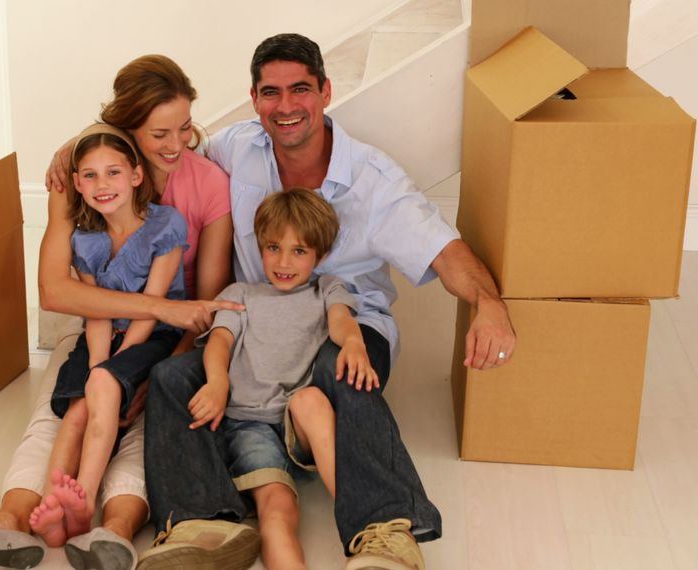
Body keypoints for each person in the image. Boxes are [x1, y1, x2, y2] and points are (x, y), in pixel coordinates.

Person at [137, 33, 517, 570]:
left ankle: (384, 530)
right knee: (173, 378)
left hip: (345, 327)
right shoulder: (236, 147)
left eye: (300, 90)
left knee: (340, 369)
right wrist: (85, 145)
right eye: (271, 92)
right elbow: (162, 147)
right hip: (260, 331)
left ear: (325, 92)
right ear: (254, 98)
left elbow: (444, 251)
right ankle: (202, 523)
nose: (285, 106)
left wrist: (490, 305)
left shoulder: (373, 180)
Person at [0, 55, 239, 570]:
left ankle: (111, 529)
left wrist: (166, 366)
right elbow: (56, 292)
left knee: (142, 422)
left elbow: (206, 299)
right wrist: (120, 343)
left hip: (174, 337)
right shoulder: (84, 175)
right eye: (159, 133)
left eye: (185, 128)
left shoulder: (206, 186)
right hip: (100, 328)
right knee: (61, 413)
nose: (176, 145)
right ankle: (14, 518)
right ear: (126, 128)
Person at [184, 187, 378, 570]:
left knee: (310, 399)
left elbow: (341, 320)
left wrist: (354, 343)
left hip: (299, 422)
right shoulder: (241, 293)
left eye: (299, 251)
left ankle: (363, 522)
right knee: (275, 507)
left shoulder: (327, 289)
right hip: (248, 424)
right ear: (259, 248)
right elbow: (219, 342)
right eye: (273, 248)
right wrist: (217, 382)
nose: (283, 261)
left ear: (320, 256)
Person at [29, 123, 187, 551]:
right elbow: (94, 309)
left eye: (114, 172)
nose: (103, 185)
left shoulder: (165, 227)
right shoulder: (87, 239)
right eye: (91, 175)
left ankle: (84, 495)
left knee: (101, 384)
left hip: (152, 333)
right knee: (79, 406)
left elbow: (154, 307)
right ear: (77, 184)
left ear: (136, 175)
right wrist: (100, 363)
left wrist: (116, 371)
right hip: (104, 332)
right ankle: (54, 506)